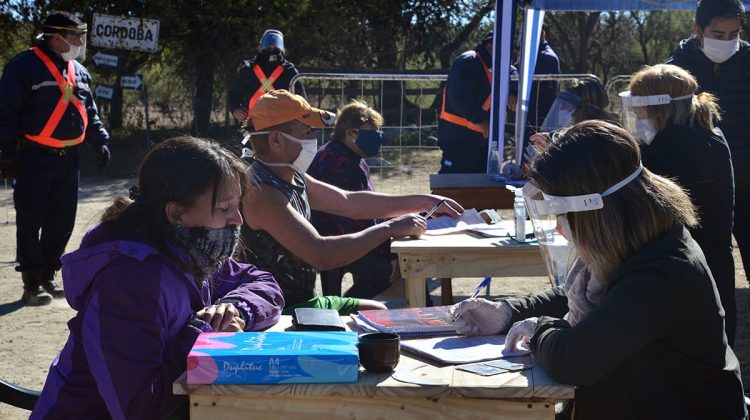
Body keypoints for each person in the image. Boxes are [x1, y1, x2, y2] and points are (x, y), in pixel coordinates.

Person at [451, 121, 746, 419]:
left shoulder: (663, 273)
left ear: (596, 210)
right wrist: (507, 311)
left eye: (562, 213)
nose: (559, 227)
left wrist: (538, 328)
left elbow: (575, 359)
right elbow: (587, 298)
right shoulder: (641, 246)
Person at [31, 136, 284, 419]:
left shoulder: (189, 253)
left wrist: (236, 308)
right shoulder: (129, 282)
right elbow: (140, 409)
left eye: (237, 206)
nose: (238, 219)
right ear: (176, 213)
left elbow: (264, 283)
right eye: (224, 208)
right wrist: (204, 333)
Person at [239, 89, 463, 314]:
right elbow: (322, 255)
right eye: (307, 132)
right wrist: (390, 228)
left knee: (378, 311)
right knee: (378, 323)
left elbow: (350, 202)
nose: (313, 140)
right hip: (275, 310)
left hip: (299, 302)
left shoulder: (291, 175)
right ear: (276, 140)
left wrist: (427, 202)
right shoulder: (263, 193)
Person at [0, 11, 111, 306]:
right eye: (76, 36)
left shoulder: (80, 72)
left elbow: (90, 112)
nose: (80, 42)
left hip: (69, 159)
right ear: (57, 37)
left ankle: (49, 273)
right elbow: (6, 109)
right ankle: (32, 282)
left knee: (61, 221)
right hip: (34, 157)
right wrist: (6, 149)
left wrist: (100, 141)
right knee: (30, 218)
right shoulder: (24, 66)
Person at [621, 64, 736, 346]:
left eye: (639, 107)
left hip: (687, 271)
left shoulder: (671, 145)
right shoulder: (708, 135)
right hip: (711, 264)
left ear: (658, 108)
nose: (636, 114)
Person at [666, 0, 750, 294]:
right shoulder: (674, 71)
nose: (727, 42)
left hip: (747, 177)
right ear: (697, 30)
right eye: (718, 34)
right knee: (708, 263)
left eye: (733, 34)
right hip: (699, 184)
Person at [308, 100, 400, 298]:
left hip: (341, 238)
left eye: (378, 133)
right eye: (371, 133)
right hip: (334, 242)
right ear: (351, 134)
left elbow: (368, 207)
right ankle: (343, 310)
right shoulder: (338, 162)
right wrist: (390, 251)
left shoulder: (350, 156)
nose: (377, 138)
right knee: (387, 271)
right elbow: (354, 219)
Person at [439, 33, 517, 174]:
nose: (505, 56)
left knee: (475, 185)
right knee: (452, 184)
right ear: (489, 46)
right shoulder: (469, 61)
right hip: (458, 138)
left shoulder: (488, 65)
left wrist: (512, 90)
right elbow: (458, 97)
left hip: (476, 139)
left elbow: (512, 72)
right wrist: (479, 120)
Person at [228, 29, 306, 126]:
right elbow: (234, 94)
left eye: (276, 49)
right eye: (269, 48)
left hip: (283, 125)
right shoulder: (248, 69)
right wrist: (235, 108)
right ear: (260, 48)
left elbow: (301, 101)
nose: (272, 51)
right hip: (253, 124)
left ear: (283, 50)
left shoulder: (289, 71)